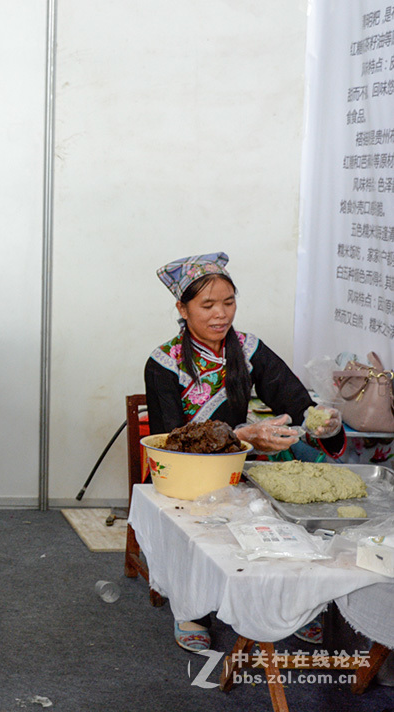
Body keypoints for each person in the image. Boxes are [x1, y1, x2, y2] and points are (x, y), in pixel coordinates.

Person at [144, 251, 344, 652]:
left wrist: (323, 420)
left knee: (289, 505)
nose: (221, 314)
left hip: (241, 458)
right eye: (208, 305)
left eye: (229, 302)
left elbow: (292, 398)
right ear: (182, 309)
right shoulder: (164, 363)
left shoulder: (249, 349)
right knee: (198, 518)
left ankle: (292, 603)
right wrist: (244, 435)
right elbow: (171, 440)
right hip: (185, 470)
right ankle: (192, 608)